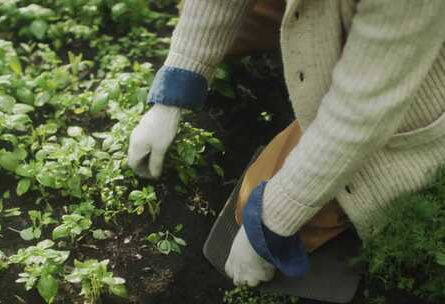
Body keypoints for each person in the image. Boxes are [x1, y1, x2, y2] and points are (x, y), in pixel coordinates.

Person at [128, 0, 445, 287]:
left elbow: (361, 115)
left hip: (399, 81)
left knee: (252, 206)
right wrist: (174, 93)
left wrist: (269, 224)